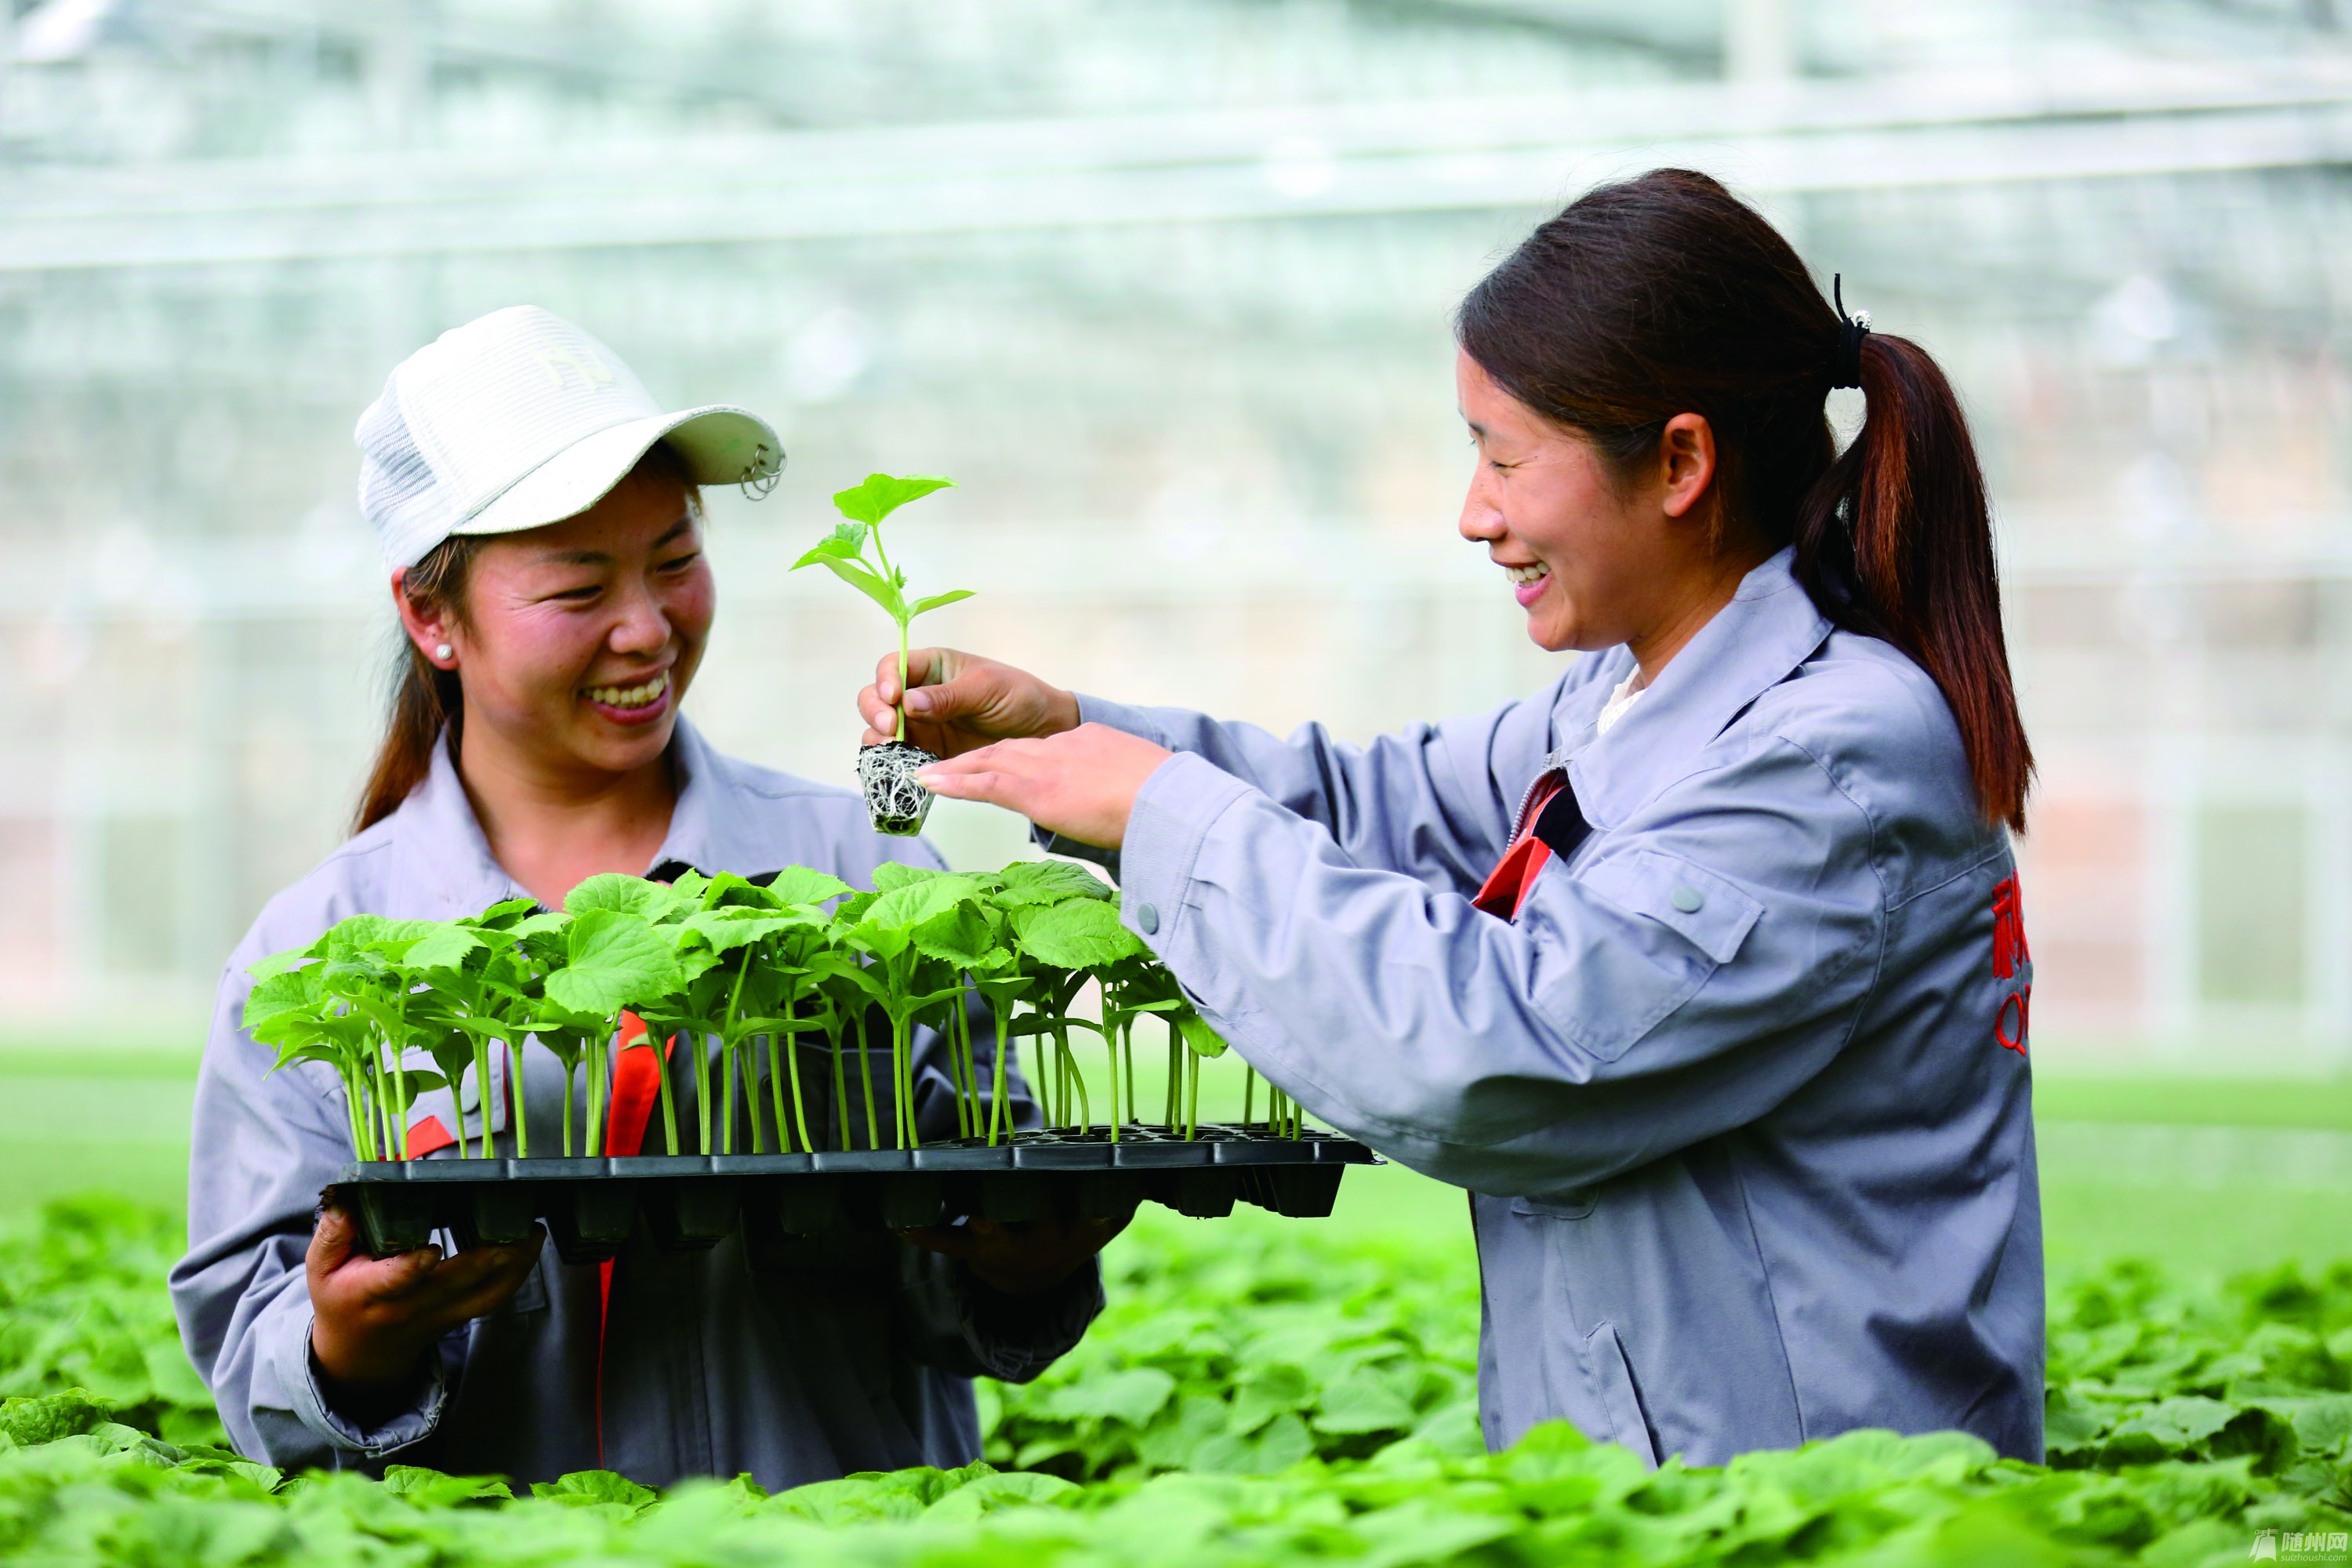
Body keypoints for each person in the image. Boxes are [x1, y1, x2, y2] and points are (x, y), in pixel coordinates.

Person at [858, 170, 2044, 1468]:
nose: (1474, 513)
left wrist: (1160, 815)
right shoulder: (1624, 702)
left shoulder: (1826, 760)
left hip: (1822, 1513)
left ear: (1682, 463)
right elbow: (1388, 806)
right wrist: (1075, 732)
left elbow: (1520, 1051)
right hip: (1670, 1493)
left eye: (1504, 456)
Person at [171, 306, 1116, 1487]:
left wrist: (1018, 1263)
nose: (646, 629)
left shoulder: (860, 879)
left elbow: (976, 1286)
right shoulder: (318, 955)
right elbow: (257, 1357)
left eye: (676, 561)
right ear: (430, 614)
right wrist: (346, 1346)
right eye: (577, 592)